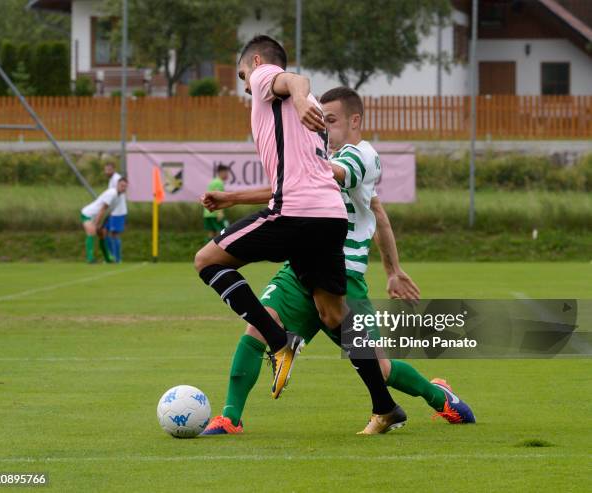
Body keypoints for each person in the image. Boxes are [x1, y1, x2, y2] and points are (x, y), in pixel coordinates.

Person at [200, 87, 475, 435]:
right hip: (301, 266)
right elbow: (355, 207)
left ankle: (439, 396)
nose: (324, 128)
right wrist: (233, 198)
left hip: (343, 276)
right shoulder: (320, 158)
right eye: (320, 121)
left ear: (355, 120)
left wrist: (393, 271)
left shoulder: (363, 156)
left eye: (330, 120)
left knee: (382, 369)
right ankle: (230, 417)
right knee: (259, 327)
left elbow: (326, 177)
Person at [194, 36, 400, 432]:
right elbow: (298, 178)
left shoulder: (268, 78)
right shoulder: (302, 128)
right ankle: (385, 406)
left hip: (294, 214)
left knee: (207, 261)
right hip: (328, 218)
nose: (245, 86)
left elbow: (294, 79)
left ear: (255, 62)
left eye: (242, 76)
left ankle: (278, 340)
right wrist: (233, 197)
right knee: (334, 314)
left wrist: (304, 97)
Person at [81, 178, 128, 264]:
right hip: (88, 214)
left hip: (98, 217)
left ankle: (108, 259)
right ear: (117, 185)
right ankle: (90, 259)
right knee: (91, 233)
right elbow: (102, 209)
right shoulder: (112, 193)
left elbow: (109, 212)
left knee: (102, 235)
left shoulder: (119, 197)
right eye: (122, 185)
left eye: (125, 186)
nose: (123, 188)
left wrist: (102, 225)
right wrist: (96, 224)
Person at [103, 161, 128, 263]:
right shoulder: (111, 180)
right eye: (106, 170)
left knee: (114, 234)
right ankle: (111, 257)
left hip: (118, 211)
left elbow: (122, 190)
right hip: (112, 211)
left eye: (109, 169)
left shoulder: (117, 178)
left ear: (113, 169)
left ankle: (117, 259)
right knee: (104, 231)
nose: (107, 171)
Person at [203, 164, 230, 241]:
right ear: (221, 172)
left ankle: (206, 251)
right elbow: (218, 199)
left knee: (211, 234)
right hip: (215, 212)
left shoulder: (212, 182)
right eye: (226, 173)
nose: (227, 175)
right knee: (222, 233)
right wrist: (220, 212)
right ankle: (219, 252)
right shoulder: (219, 183)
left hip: (207, 213)